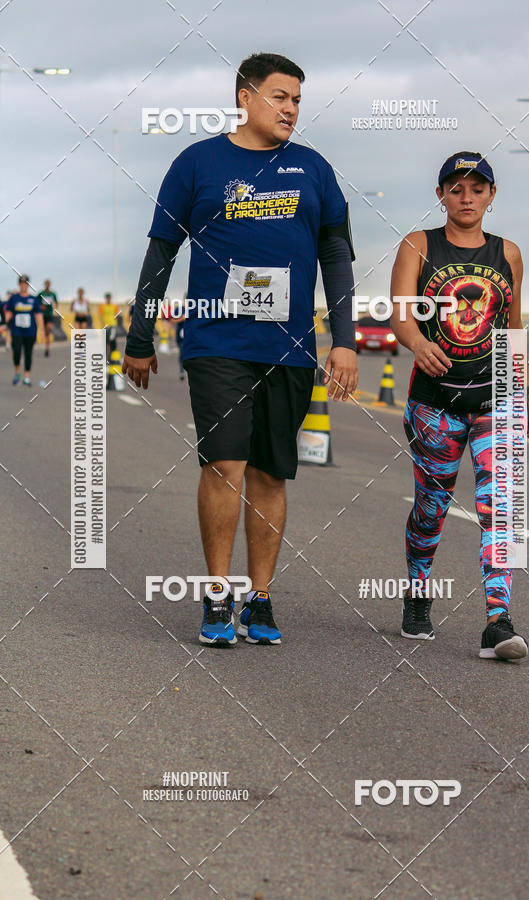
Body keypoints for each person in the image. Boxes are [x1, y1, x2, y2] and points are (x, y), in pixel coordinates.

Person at [123, 52, 357, 646]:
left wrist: (346, 341)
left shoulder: (314, 170)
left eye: (298, 99)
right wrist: (140, 336)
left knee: (271, 473)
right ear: (245, 97)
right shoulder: (197, 163)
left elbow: (336, 256)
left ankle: (261, 599)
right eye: (280, 97)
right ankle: (217, 595)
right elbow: (161, 253)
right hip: (217, 342)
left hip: (289, 347)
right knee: (224, 463)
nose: (291, 109)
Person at [390, 151, 529, 660]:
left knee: (500, 511)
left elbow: (512, 330)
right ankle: (418, 595)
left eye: (477, 189)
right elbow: (400, 314)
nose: (466, 198)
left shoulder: (509, 254)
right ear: (441, 195)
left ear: (491, 196)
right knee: (432, 510)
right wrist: (418, 343)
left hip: (495, 398)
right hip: (435, 403)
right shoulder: (419, 245)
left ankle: (497, 623)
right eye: (456, 189)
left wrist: (528, 395)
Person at [4, 275, 43, 386]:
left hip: (30, 331)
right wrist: (7, 319)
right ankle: (17, 372)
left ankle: (26, 376)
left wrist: (42, 329)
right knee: (16, 351)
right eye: (22, 283)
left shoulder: (33, 299)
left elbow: (38, 314)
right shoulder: (14, 298)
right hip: (16, 330)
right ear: (19, 284)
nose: (23, 285)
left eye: (26, 283)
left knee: (28, 353)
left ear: (28, 285)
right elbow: (9, 311)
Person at [37, 278, 59, 357]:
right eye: (46, 284)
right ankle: (45, 344)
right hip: (42, 315)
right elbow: (36, 302)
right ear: (45, 285)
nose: (47, 285)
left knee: (49, 329)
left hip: (49, 314)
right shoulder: (41, 293)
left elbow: (56, 302)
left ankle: (47, 348)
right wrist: (40, 306)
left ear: (50, 285)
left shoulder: (53, 294)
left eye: (48, 284)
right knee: (44, 330)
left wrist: (55, 307)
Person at [99, 291, 120, 356]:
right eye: (107, 298)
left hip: (113, 325)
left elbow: (117, 315)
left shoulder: (114, 306)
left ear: (110, 298)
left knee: (112, 340)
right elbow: (100, 315)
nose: (108, 299)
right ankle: (105, 355)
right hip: (105, 326)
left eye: (109, 298)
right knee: (105, 341)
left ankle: (113, 355)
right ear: (106, 298)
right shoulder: (102, 306)